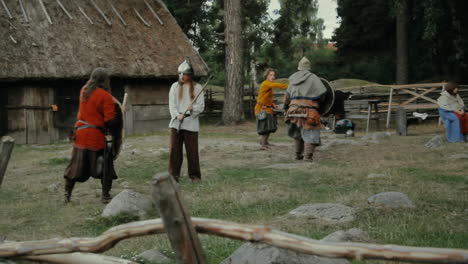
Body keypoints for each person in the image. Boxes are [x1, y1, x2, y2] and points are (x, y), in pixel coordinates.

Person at [64, 68, 121, 204]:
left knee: (75, 166)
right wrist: (118, 113)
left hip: (80, 134)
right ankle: (105, 195)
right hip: (94, 136)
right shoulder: (105, 96)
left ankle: (67, 194)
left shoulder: (84, 91)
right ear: (105, 80)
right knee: (105, 165)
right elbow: (109, 120)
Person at [284, 57, 327, 161]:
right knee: (311, 132)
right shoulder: (314, 78)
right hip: (309, 111)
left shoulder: (293, 79)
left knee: (297, 133)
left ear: (299, 67)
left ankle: (297, 155)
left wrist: (286, 108)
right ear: (309, 67)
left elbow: (287, 97)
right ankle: (307, 157)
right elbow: (322, 95)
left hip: (293, 110)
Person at [168, 60, 204, 182]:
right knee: (175, 151)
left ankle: (195, 176)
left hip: (191, 124)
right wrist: (177, 115)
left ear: (190, 74)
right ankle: (173, 176)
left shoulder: (198, 87)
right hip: (176, 124)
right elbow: (172, 105)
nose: (182, 76)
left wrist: (192, 108)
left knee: (192, 151)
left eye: (185, 74)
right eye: (180, 74)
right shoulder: (174, 87)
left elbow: (201, 106)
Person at [255, 68, 288, 150]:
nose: (273, 77)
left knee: (270, 127)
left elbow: (267, 98)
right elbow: (278, 85)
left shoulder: (269, 85)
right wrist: (290, 86)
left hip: (267, 108)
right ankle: (263, 145)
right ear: (266, 76)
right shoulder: (266, 83)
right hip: (262, 109)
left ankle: (265, 142)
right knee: (265, 128)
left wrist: (273, 105)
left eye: (273, 75)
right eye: (271, 75)